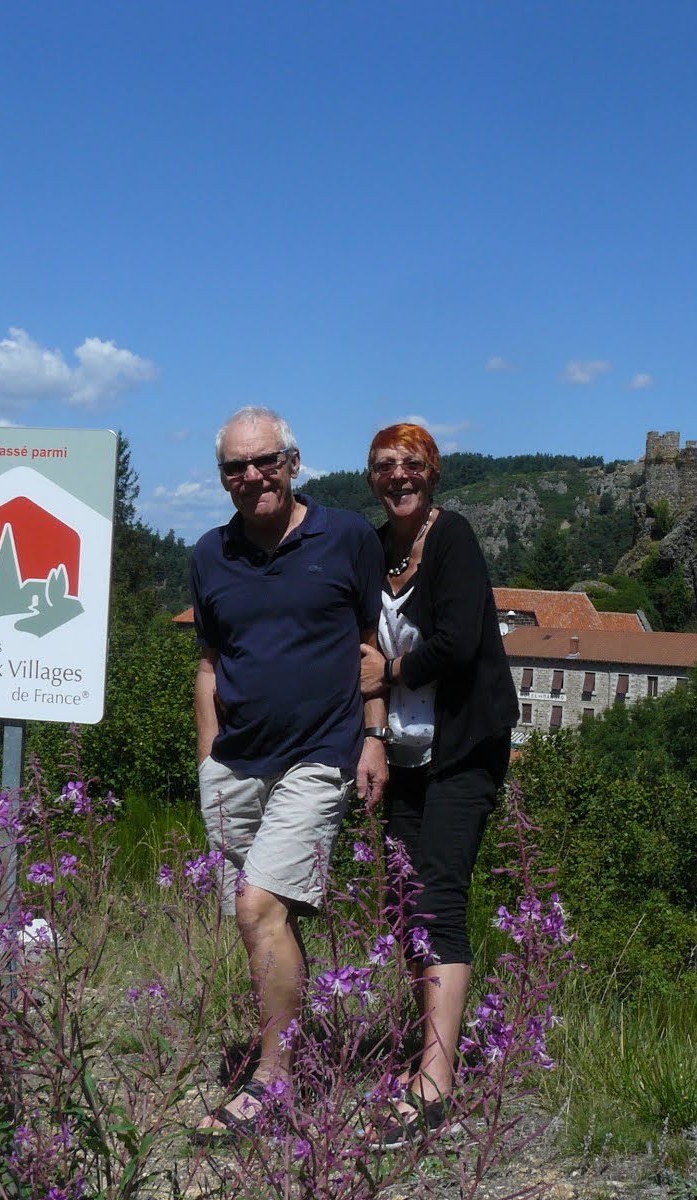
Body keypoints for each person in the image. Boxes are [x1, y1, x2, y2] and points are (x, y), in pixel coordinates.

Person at [190, 406, 388, 1142]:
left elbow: (370, 647)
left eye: (264, 461)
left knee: (254, 907)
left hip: (319, 755)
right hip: (236, 763)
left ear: (293, 461)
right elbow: (209, 662)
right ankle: (296, 1054)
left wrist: (373, 739)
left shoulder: (346, 538)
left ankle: (272, 1080)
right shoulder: (211, 553)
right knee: (262, 917)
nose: (251, 477)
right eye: (234, 468)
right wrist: (208, 756)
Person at [357, 423, 519, 1149]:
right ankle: (423, 1049)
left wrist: (387, 676)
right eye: (386, 467)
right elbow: (362, 643)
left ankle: (436, 1083)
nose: (399, 477)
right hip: (406, 751)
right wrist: (375, 733)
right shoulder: (374, 549)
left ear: (434, 474)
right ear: (371, 478)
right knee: (400, 900)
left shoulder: (452, 539)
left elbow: (455, 643)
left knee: (438, 897)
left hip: (464, 750)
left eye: (412, 465)